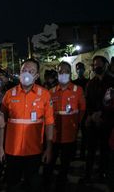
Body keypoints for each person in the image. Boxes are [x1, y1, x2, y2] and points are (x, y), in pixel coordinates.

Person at [0, 58, 54, 192]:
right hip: (12, 150)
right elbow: (1, 123)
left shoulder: (45, 95)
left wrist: (49, 148)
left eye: (31, 71)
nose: (26, 73)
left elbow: (49, 122)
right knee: (12, 184)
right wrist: (0, 147)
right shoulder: (9, 95)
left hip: (34, 150)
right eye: (24, 70)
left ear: (36, 75)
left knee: (32, 184)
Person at [43, 61, 85, 191]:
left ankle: (60, 186)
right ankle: (45, 185)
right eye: (60, 71)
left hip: (69, 136)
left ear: (70, 73)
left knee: (65, 165)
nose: (63, 74)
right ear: (57, 74)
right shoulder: (51, 92)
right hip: (54, 137)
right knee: (49, 163)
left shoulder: (78, 90)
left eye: (66, 71)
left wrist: (75, 124)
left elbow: (82, 110)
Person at [83, 55, 114, 181]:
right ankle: (88, 174)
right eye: (95, 65)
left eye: (99, 64)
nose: (97, 67)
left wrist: (102, 114)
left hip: (107, 121)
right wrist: (91, 115)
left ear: (106, 65)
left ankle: (103, 172)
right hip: (93, 121)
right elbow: (88, 102)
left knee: (104, 149)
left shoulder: (112, 82)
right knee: (90, 149)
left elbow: (111, 103)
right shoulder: (90, 83)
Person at [73, 62, 88, 159]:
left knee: (85, 134)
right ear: (76, 70)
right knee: (74, 134)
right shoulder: (74, 83)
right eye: (78, 68)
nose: (80, 70)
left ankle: (82, 153)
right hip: (76, 112)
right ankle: (73, 153)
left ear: (84, 69)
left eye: (81, 68)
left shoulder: (88, 82)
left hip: (85, 111)